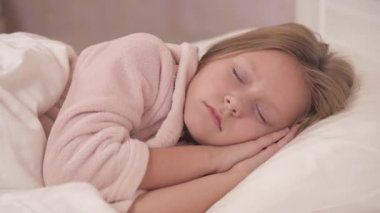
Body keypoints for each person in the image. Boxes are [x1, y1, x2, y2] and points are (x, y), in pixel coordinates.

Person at [42, 23, 354, 213]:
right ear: (218, 53)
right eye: (238, 74)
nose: (235, 103)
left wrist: (234, 174)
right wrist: (214, 159)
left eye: (261, 114)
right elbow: (73, 169)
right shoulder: (144, 60)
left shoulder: (184, 147)